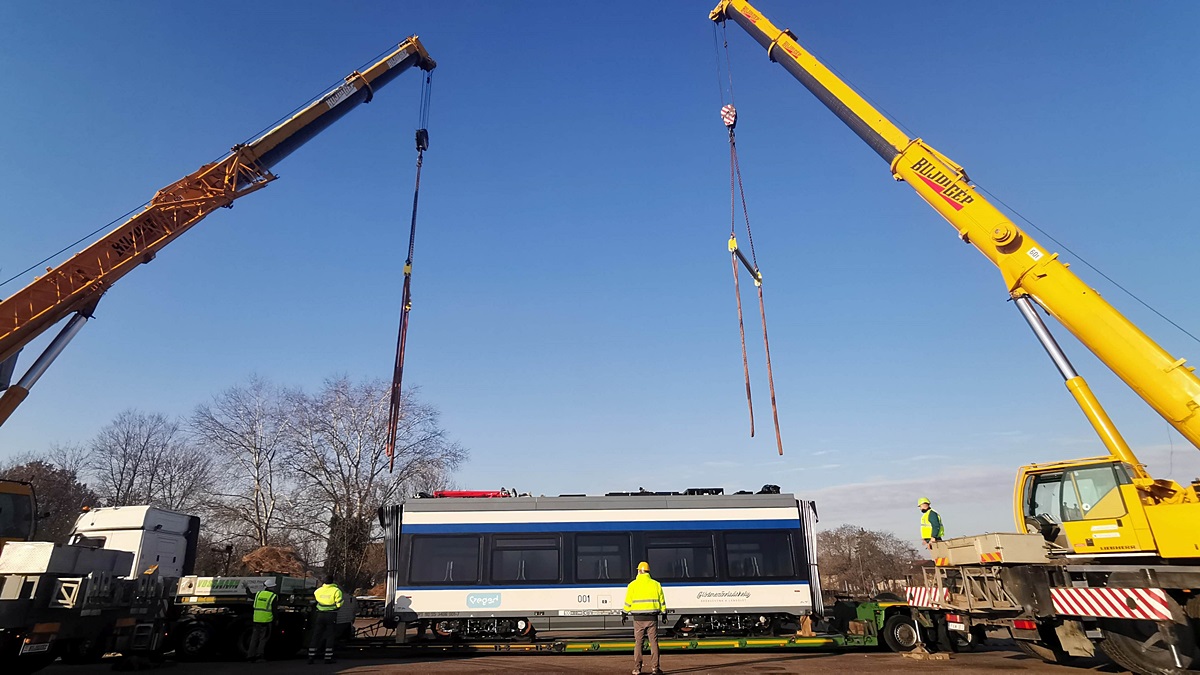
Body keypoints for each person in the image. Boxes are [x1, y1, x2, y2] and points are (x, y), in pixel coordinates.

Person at [623, 561, 666, 675]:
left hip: (638, 619)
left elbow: (628, 602)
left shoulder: (632, 585)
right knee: (654, 643)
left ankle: (637, 669)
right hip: (652, 618)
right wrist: (664, 613)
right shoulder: (656, 584)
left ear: (639, 571)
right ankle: (655, 669)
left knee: (638, 643)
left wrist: (624, 613)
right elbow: (662, 601)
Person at [308, 576, 343, 664]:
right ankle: (328, 657)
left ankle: (311, 656)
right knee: (330, 636)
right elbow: (339, 604)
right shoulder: (336, 591)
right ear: (332, 582)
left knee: (316, 635)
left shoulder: (318, 591)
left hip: (320, 614)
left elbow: (315, 601)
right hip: (331, 614)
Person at [247, 578, 277, 662]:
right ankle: (259, 656)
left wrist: (247, 588)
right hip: (266, 621)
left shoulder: (258, 594)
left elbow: (250, 595)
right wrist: (276, 620)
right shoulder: (273, 596)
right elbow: (274, 610)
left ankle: (250, 655)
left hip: (256, 620)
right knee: (263, 639)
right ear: (271, 587)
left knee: (254, 638)